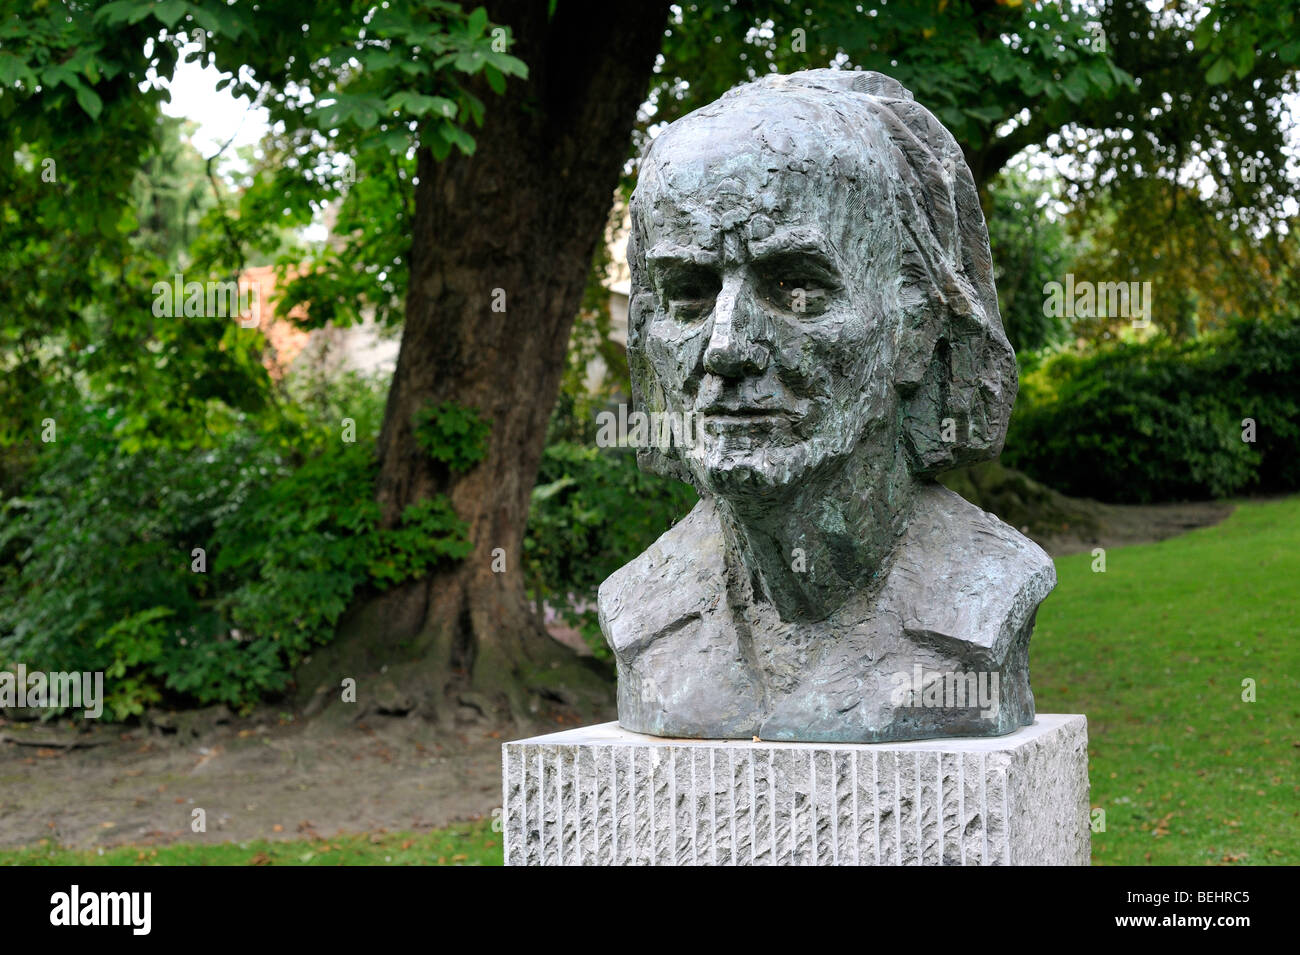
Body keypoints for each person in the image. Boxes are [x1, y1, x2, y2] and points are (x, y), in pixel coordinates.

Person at [598, 70, 1054, 743]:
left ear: (914, 324)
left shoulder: (980, 603)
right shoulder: (642, 613)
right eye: (689, 294)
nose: (727, 348)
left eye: (796, 288)